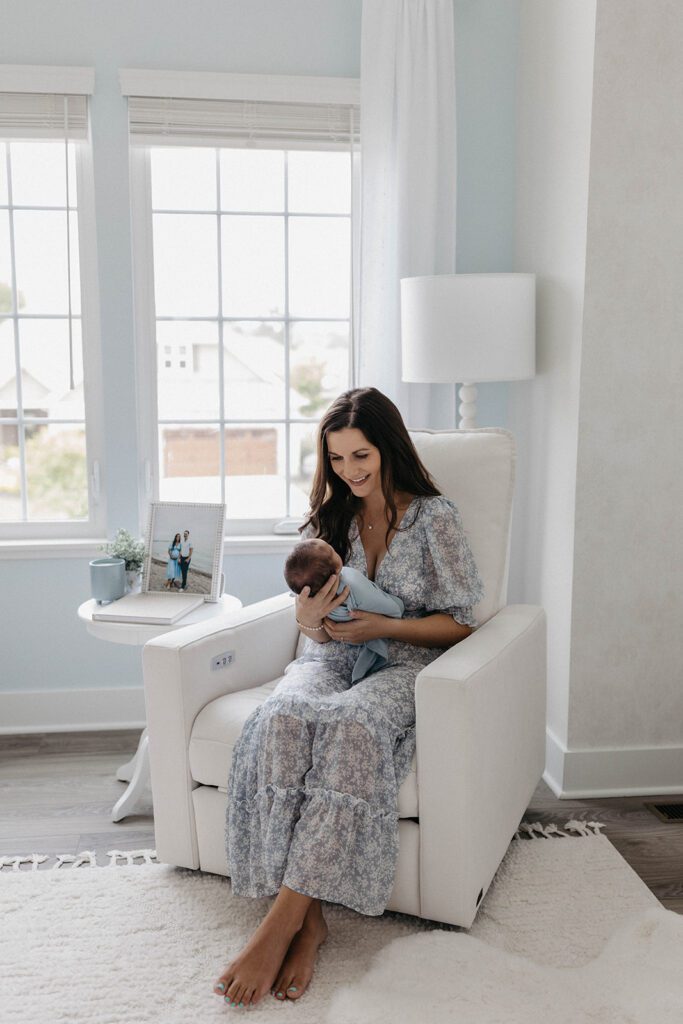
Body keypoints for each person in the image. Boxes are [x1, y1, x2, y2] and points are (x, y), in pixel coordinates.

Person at [215, 386, 484, 1010]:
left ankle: (281, 925)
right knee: (280, 715)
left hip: (407, 659)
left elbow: (463, 622)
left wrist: (384, 627)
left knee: (353, 724)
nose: (350, 471)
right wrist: (309, 621)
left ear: (389, 447)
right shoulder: (333, 516)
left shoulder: (434, 517)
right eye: (337, 459)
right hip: (330, 653)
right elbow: (307, 627)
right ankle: (311, 922)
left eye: (361, 455)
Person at [283, 537, 405, 683]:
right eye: (332, 549)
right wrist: (307, 618)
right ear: (337, 566)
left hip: (397, 660)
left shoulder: (344, 584)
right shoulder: (352, 588)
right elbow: (394, 609)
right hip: (324, 660)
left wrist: (386, 627)